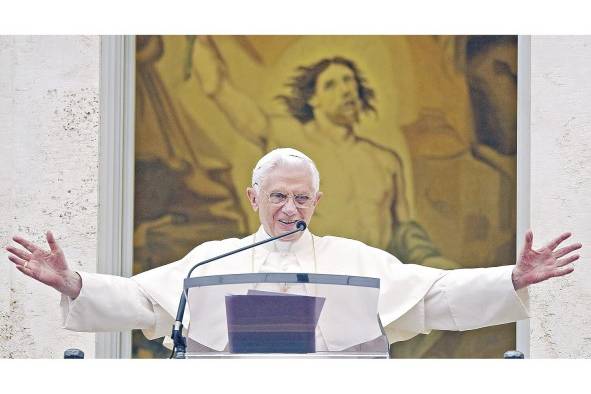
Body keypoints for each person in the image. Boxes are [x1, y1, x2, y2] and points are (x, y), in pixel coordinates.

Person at [5, 148, 582, 352]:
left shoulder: (352, 258)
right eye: (278, 195)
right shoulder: (215, 259)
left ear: (317, 201)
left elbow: (431, 295)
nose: (290, 208)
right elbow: (145, 301)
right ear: (254, 196)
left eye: (301, 198)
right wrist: (74, 283)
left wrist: (512, 277)